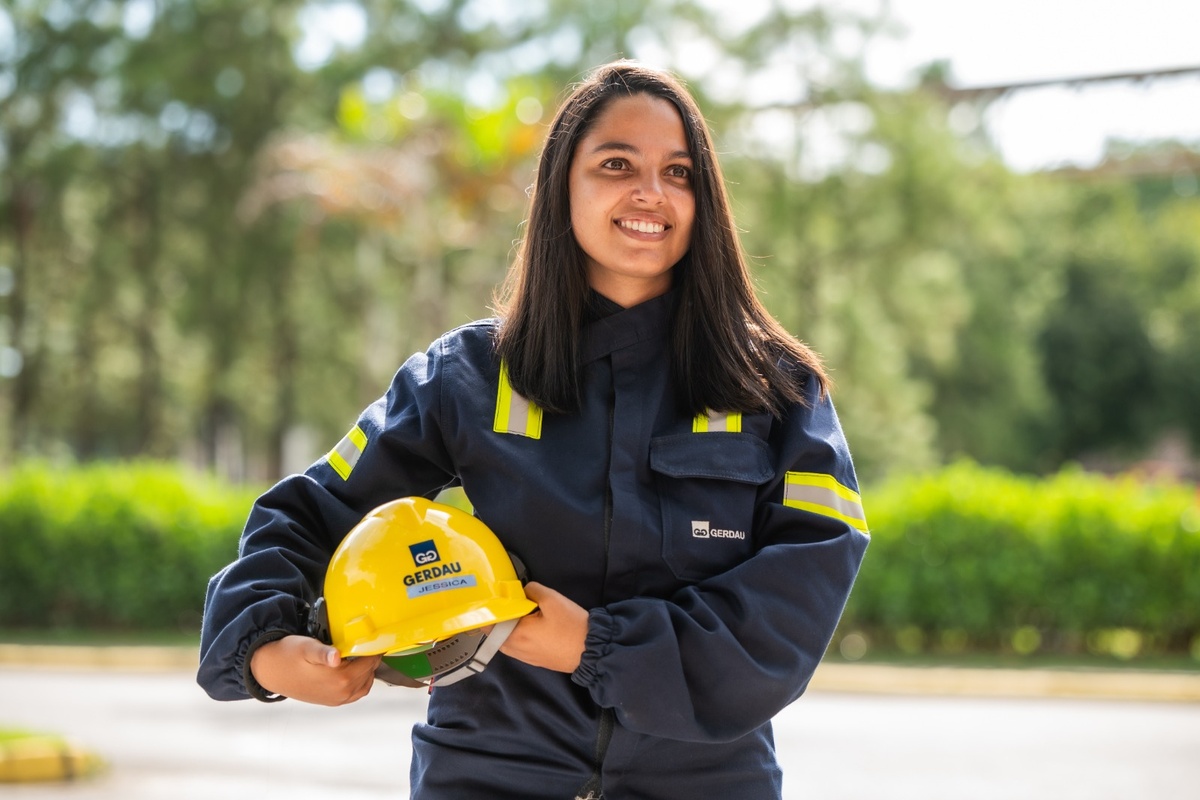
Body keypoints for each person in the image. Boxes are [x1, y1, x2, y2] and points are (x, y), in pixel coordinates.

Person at [198, 59, 869, 800]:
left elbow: (806, 582)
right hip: (487, 773)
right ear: (563, 188)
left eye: (679, 173)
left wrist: (597, 647)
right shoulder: (467, 375)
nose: (651, 192)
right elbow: (308, 511)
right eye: (617, 164)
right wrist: (261, 648)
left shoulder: (772, 385)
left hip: (705, 780)